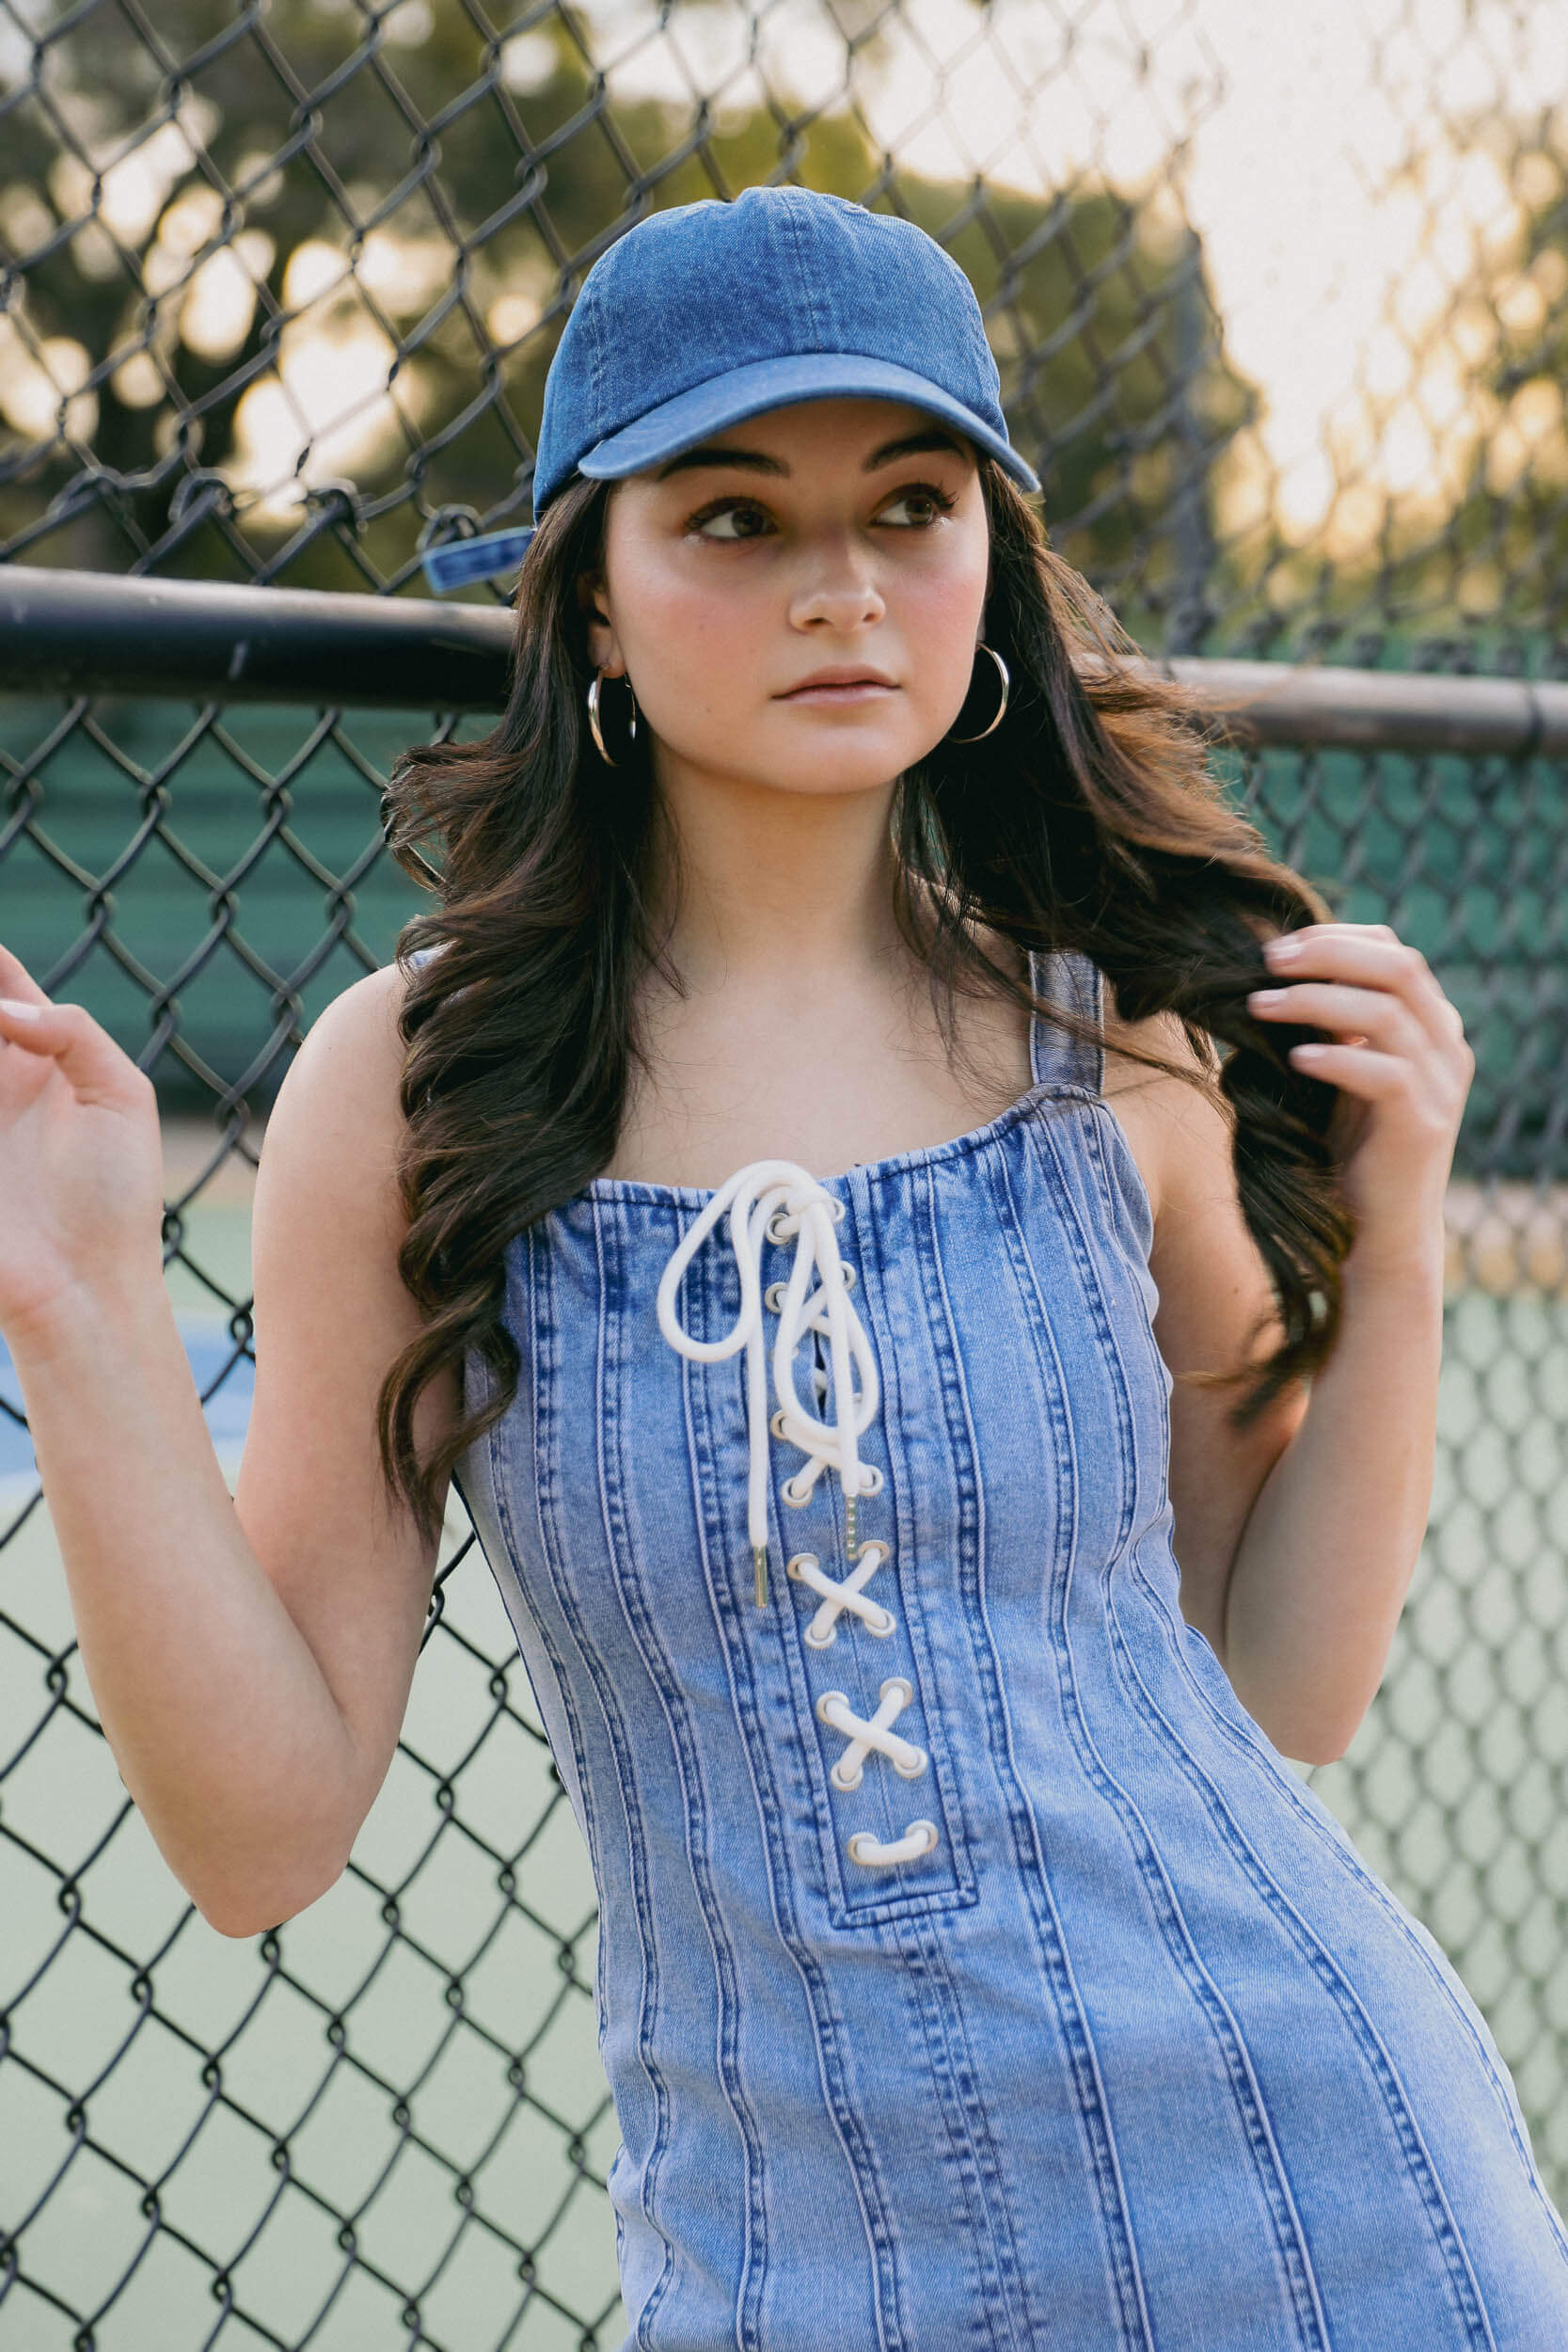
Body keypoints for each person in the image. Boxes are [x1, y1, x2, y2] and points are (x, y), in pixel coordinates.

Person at [1, 183, 1563, 2349]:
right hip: (798, 2251)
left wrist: (1391, 1235)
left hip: (1319, 2187)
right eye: (734, 517)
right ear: (600, 602)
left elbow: (1285, 1680)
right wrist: (73, 1294)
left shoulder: (1107, 1033)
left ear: (989, 566)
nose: (842, 585)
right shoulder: (422, 1078)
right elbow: (261, 1834)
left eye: (909, 506)